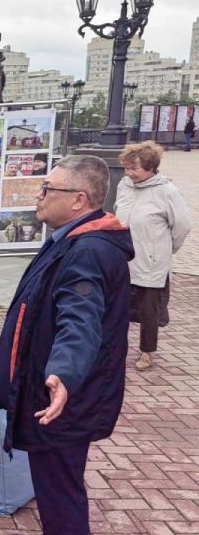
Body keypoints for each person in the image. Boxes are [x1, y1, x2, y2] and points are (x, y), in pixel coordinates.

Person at [0, 155, 134, 535]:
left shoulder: (88, 250)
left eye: (48, 189)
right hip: (61, 389)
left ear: (79, 200)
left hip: (66, 395)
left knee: (60, 484)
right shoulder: (73, 239)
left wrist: (63, 375)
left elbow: (80, 319)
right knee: (54, 479)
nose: (39, 195)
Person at [114, 141, 192, 371]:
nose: (128, 172)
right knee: (118, 307)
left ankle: (146, 352)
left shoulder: (167, 191)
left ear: (150, 167)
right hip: (124, 259)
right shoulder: (124, 185)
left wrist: (166, 250)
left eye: (134, 168)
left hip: (152, 261)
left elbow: (182, 227)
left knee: (149, 311)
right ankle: (115, 348)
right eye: (126, 167)